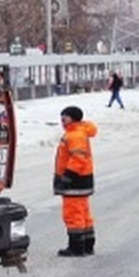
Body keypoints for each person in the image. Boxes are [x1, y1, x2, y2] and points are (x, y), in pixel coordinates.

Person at [53, 106, 96, 257]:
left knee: (72, 214)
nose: (62, 120)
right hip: (82, 181)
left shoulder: (75, 135)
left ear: (73, 118)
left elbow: (78, 158)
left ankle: (76, 247)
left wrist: (66, 177)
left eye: (65, 117)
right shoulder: (77, 133)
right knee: (83, 213)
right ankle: (88, 245)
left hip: (74, 182)